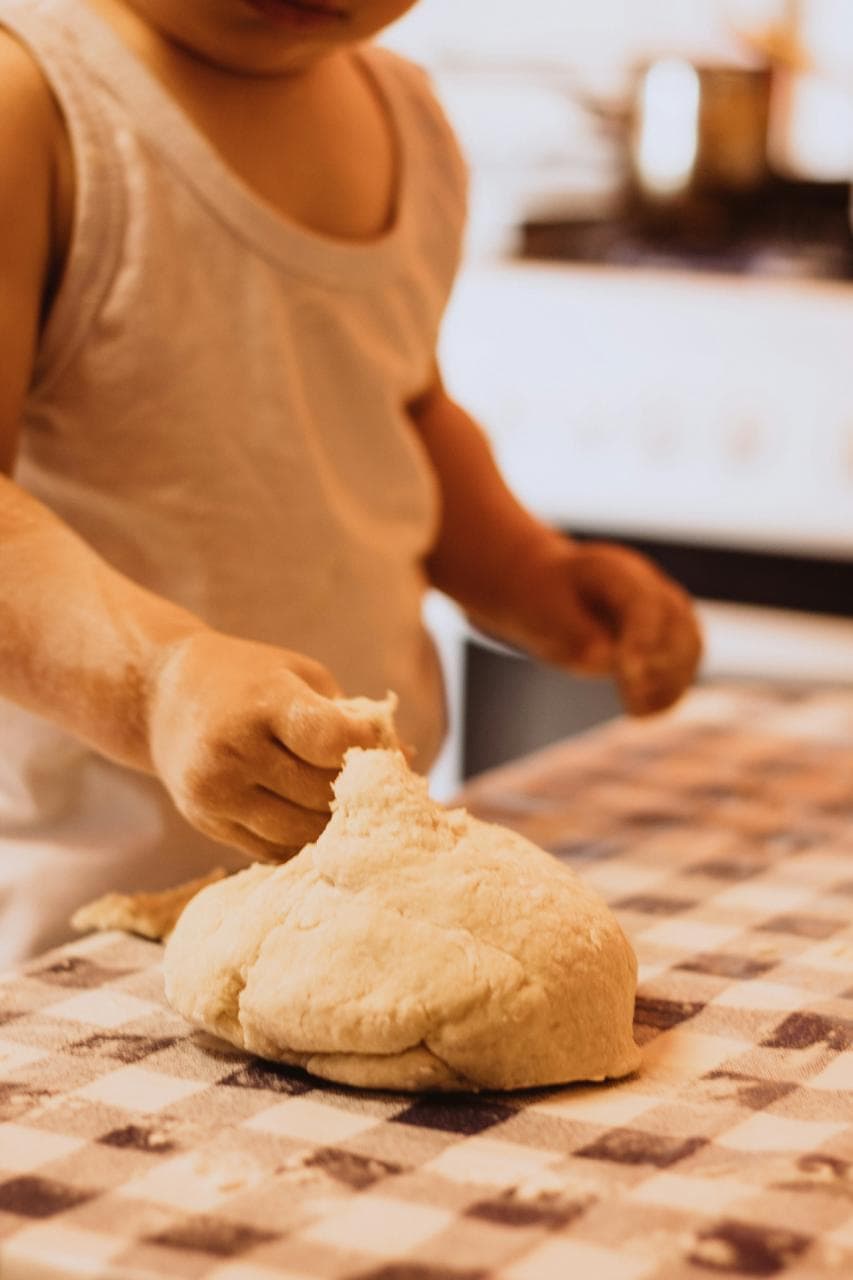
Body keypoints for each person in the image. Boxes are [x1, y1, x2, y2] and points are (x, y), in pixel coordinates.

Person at [0, 0, 702, 964]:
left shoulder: (410, 121)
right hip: (70, 920)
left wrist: (531, 570)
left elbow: (396, 412)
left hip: (350, 898)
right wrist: (156, 680)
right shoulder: (32, 100)